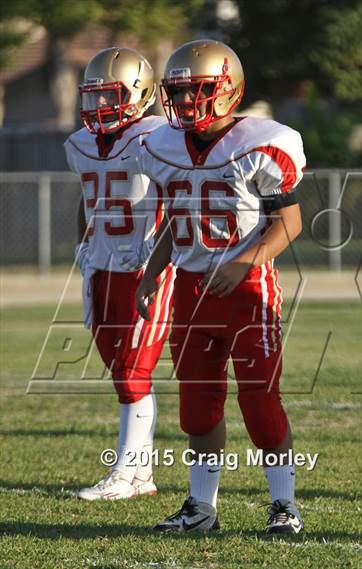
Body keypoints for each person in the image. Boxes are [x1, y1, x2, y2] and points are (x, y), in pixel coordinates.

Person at [131, 39, 306, 534]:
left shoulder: (262, 142)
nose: (186, 102)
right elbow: (178, 219)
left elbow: (289, 223)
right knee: (197, 409)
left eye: (198, 90)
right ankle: (201, 507)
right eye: (178, 92)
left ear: (229, 89)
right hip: (191, 291)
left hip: (248, 290)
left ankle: (284, 505)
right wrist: (152, 271)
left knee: (260, 404)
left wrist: (243, 262)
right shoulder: (163, 145)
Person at [64, 47, 175, 500]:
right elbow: (87, 199)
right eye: (94, 96)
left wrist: (161, 252)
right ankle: (141, 474)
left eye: (110, 95)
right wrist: (83, 245)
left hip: (142, 267)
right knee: (122, 374)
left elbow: (180, 196)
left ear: (139, 94)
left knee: (133, 372)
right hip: (102, 267)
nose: (100, 106)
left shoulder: (157, 138)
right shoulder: (82, 144)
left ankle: (126, 474)